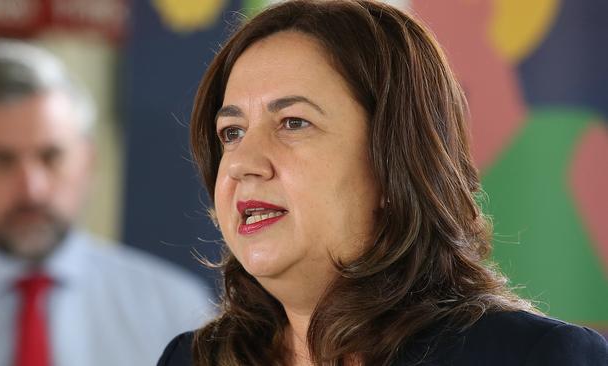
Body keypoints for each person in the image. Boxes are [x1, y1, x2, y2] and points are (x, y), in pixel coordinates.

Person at [157, 0, 608, 365]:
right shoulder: (191, 359)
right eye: (231, 133)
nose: (241, 164)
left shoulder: (535, 357)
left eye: (293, 122)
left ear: (396, 162)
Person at [0, 39, 213, 366]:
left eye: (51, 157)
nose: (32, 190)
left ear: (87, 162)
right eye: (1, 160)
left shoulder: (177, 312)